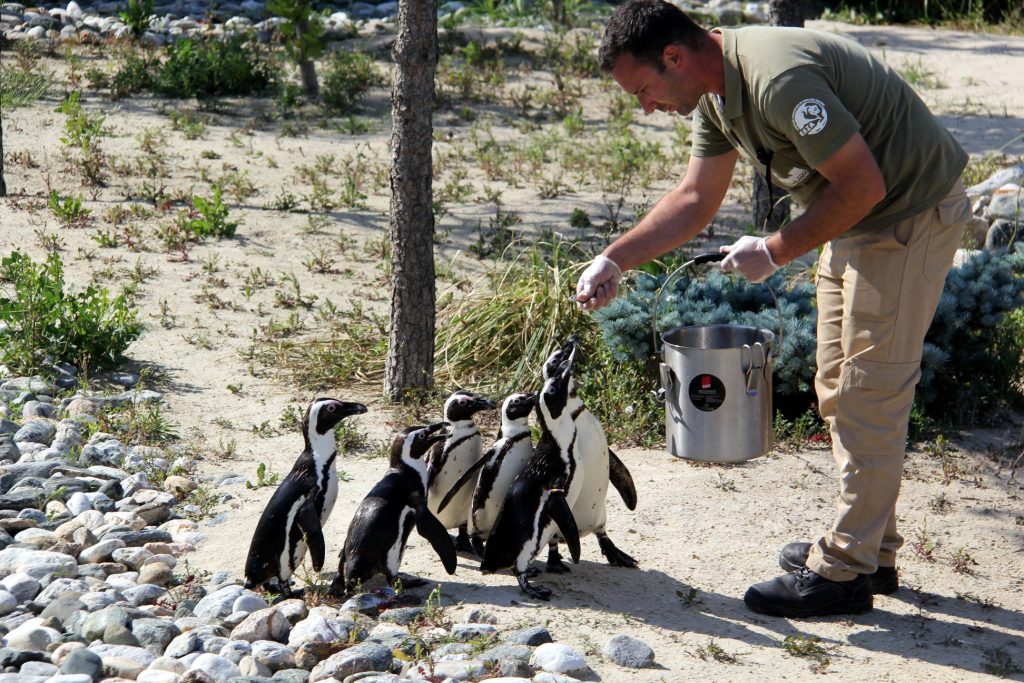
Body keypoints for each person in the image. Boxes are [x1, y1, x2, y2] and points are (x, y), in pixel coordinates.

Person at [576, 0, 971, 618]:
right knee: (839, 386)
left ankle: (843, 570)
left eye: (645, 89)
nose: (645, 106)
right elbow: (694, 196)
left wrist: (776, 249)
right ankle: (872, 550)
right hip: (860, 218)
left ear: (675, 57)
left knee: (871, 389)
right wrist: (614, 258)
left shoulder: (776, 80)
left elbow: (863, 184)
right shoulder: (715, 94)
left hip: (906, 213)